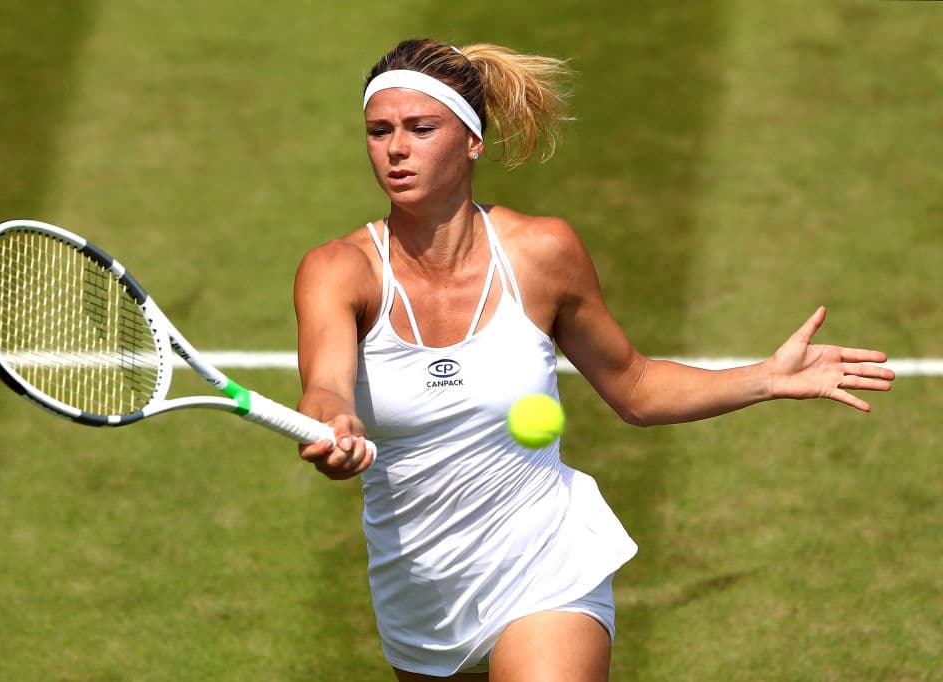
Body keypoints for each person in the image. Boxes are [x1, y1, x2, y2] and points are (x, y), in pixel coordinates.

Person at [293, 38, 894, 682]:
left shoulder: (542, 251)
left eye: (421, 128)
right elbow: (326, 388)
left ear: (472, 140)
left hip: (547, 565)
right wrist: (333, 428)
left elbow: (633, 386)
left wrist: (767, 377)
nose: (396, 149)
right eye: (379, 131)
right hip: (422, 590)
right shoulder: (338, 270)